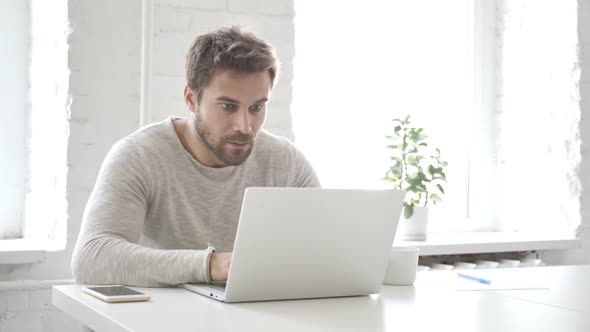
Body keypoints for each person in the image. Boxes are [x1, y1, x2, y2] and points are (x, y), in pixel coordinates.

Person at [71, 26, 320, 287]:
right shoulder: (140, 156)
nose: (245, 126)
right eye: (228, 106)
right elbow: (91, 258)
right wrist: (211, 265)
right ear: (191, 99)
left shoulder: (286, 163)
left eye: (256, 107)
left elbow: (331, 248)